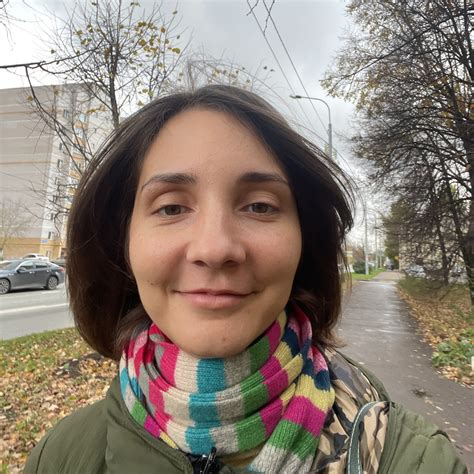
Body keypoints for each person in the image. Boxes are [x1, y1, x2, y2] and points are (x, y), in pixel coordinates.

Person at [25, 85, 466, 473]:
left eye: (259, 206)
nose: (215, 248)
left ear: (304, 240)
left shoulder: (415, 460)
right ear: (122, 240)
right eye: (172, 207)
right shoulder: (60, 459)